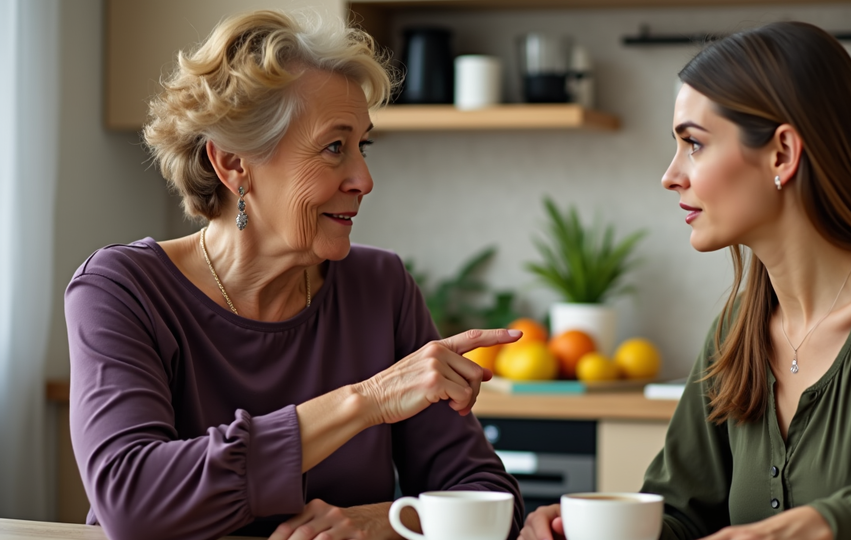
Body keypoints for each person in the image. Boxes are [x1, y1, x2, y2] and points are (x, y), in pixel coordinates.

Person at [520, 21, 851, 540]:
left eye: (695, 143)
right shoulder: (736, 330)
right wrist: (589, 528)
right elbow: (687, 517)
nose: (671, 174)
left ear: (781, 152)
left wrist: (841, 524)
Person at [64, 10, 524, 540]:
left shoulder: (381, 286)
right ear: (234, 164)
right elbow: (132, 501)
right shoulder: (123, 289)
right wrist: (365, 401)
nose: (364, 179)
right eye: (335, 147)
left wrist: (378, 524)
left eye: (363, 146)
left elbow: (490, 501)